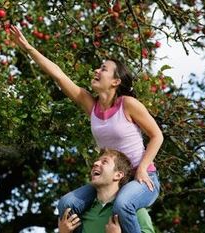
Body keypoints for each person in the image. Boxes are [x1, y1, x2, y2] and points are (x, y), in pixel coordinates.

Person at [10, 25, 163, 233]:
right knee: (66, 205)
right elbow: (59, 76)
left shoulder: (127, 104)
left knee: (123, 205)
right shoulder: (92, 106)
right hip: (111, 178)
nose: (97, 71)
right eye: (98, 68)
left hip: (141, 178)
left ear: (116, 81)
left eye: (104, 69)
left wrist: (143, 168)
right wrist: (28, 48)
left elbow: (156, 136)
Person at [58, 149, 154, 233]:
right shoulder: (82, 210)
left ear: (118, 175)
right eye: (97, 161)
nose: (95, 163)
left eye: (104, 162)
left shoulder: (133, 210)